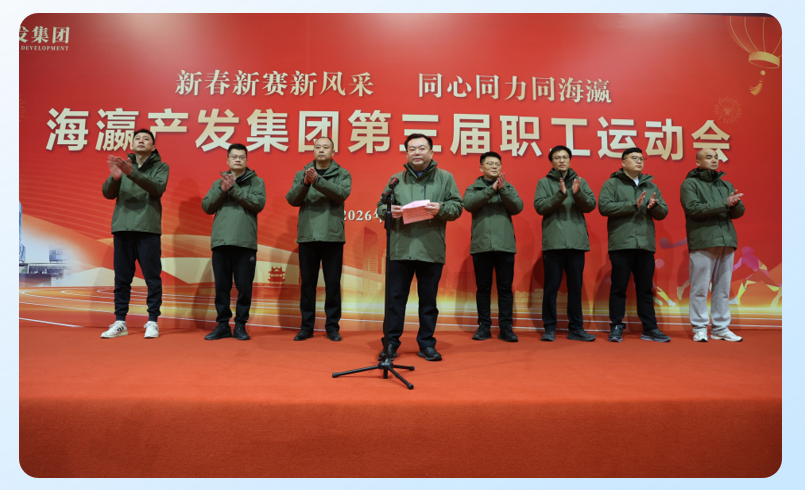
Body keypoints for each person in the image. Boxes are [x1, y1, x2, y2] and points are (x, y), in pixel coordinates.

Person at [377, 134, 463, 361]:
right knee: (394, 302)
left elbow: (457, 207)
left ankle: (426, 344)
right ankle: (390, 344)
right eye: (412, 148)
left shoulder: (445, 178)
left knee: (428, 302)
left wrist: (441, 208)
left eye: (422, 148)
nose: (417, 152)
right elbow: (380, 207)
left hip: (430, 249)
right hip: (400, 249)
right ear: (406, 153)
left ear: (431, 152)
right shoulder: (396, 179)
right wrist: (390, 211)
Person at [100, 129, 169, 339]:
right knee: (122, 279)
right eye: (137, 138)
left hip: (147, 229)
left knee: (152, 278)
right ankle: (120, 321)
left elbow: (157, 188)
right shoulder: (123, 165)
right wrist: (115, 178)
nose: (141, 141)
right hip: (123, 228)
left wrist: (132, 173)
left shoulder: (160, 167)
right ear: (132, 144)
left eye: (146, 139)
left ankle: (152, 321)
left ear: (153, 146)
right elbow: (107, 193)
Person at [598, 147, 670, 343]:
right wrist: (633, 204)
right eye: (634, 158)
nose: (639, 161)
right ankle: (616, 326)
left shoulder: (651, 185)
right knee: (619, 288)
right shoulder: (612, 183)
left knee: (645, 289)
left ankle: (650, 328)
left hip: (645, 245)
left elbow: (663, 212)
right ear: (623, 163)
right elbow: (604, 207)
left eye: (641, 158)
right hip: (621, 244)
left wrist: (654, 206)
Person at [285, 137, 351, 342]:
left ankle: (332, 327)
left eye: (326, 147)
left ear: (333, 151)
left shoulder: (342, 174)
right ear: (313, 151)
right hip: (308, 236)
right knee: (307, 285)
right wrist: (305, 183)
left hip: (332, 237)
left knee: (332, 285)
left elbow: (341, 194)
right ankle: (306, 327)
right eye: (317, 147)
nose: (321, 150)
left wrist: (318, 181)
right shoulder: (302, 174)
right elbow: (292, 199)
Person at [201, 143, 266, 341]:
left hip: (245, 242)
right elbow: (207, 206)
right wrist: (222, 190)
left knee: (244, 287)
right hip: (221, 241)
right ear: (227, 160)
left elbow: (258, 204)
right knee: (222, 287)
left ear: (246, 160)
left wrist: (234, 189)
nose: (238, 159)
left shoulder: (257, 182)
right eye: (234, 156)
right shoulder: (218, 183)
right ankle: (222, 325)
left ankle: (240, 325)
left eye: (241, 157)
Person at [680, 148, 745, 342]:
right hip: (703, 241)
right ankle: (700, 328)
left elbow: (737, 213)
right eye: (708, 157)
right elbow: (693, 209)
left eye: (716, 157)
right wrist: (725, 203)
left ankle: (720, 328)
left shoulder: (726, 184)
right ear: (698, 162)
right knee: (700, 288)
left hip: (727, 241)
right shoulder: (690, 184)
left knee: (722, 289)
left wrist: (736, 204)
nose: (714, 160)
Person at [534, 145, 597, 342]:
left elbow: (591, 205)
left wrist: (577, 194)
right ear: (551, 162)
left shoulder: (580, 181)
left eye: (565, 157)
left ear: (570, 160)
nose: (561, 160)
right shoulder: (544, 182)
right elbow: (540, 206)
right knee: (551, 288)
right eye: (557, 157)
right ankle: (549, 328)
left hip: (576, 243)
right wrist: (560, 195)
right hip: (554, 243)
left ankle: (576, 328)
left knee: (575, 288)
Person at [463, 151, 523, 342]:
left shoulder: (508, 187)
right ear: (481, 168)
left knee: (505, 289)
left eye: (497, 163)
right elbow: (469, 204)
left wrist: (502, 189)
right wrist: (491, 190)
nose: (494, 166)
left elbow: (517, 207)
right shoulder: (473, 188)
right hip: (481, 246)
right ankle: (484, 327)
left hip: (505, 246)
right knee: (483, 289)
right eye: (489, 163)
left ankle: (506, 328)